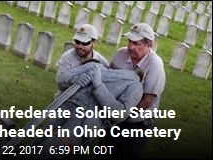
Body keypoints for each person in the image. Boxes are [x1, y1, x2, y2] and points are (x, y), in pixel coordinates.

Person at [24, 61, 143, 159]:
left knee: (47, 151)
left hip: (83, 121)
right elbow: (62, 77)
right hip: (66, 109)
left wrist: (98, 85)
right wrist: (74, 80)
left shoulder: (135, 85)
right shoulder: (95, 66)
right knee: (34, 148)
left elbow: (119, 114)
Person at [101, 23, 166, 159]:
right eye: (130, 41)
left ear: (149, 45)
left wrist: (121, 114)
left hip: (137, 124)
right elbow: (109, 82)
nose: (131, 46)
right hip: (113, 118)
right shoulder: (120, 54)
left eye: (137, 43)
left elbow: (147, 100)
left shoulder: (155, 65)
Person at [55, 23, 109, 98]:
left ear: (94, 43)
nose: (80, 46)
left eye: (85, 43)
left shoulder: (102, 63)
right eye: (77, 41)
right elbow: (59, 81)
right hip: (66, 99)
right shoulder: (67, 58)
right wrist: (72, 80)